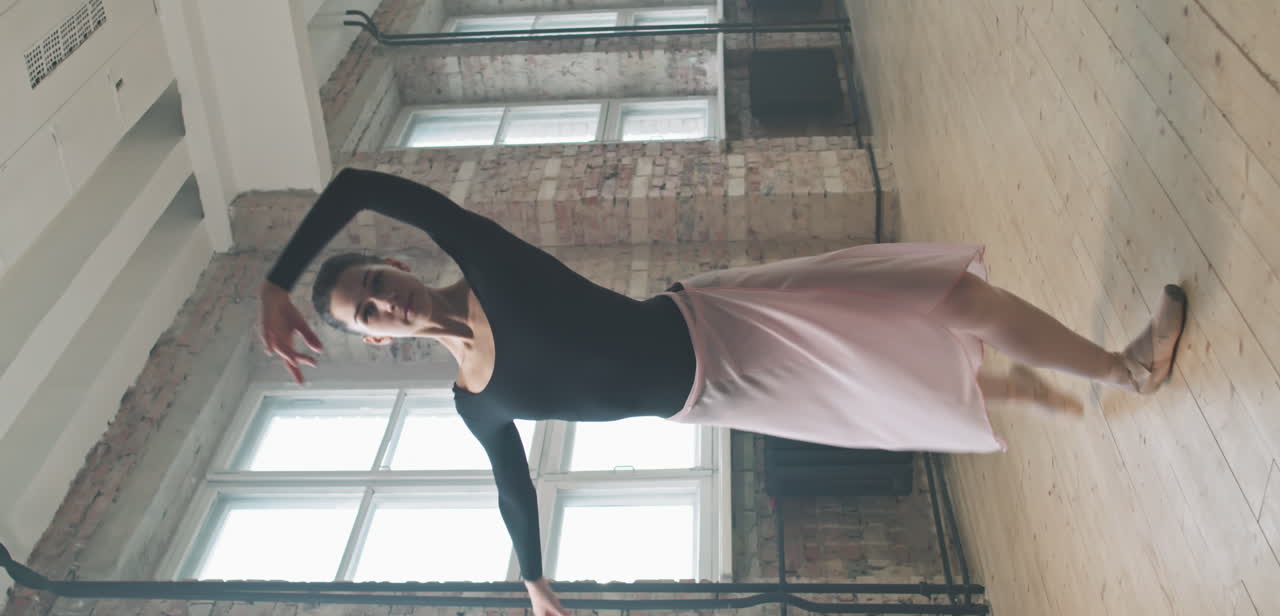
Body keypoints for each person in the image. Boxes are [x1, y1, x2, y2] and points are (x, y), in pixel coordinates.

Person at [259, 167, 1186, 612]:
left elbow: (355, 183)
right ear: (373, 337)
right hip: (723, 397)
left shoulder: (483, 260)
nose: (383, 302)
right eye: (366, 314)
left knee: (939, 293)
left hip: (723, 319)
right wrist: (537, 588)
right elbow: (513, 489)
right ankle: (1012, 381)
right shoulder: (474, 403)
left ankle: (1123, 367)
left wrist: (280, 278)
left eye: (372, 283)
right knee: (888, 379)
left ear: (391, 261)